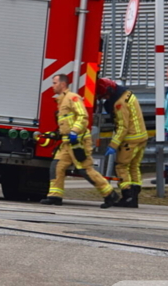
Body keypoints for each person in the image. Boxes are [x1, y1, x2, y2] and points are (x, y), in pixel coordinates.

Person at [40, 73, 121, 208]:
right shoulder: (62, 100)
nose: (52, 86)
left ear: (63, 84)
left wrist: (74, 131)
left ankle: (110, 194)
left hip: (78, 142)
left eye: (54, 83)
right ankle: (55, 196)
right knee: (57, 166)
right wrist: (57, 134)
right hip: (67, 143)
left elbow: (83, 116)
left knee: (85, 169)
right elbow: (67, 122)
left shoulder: (73, 98)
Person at [99, 78, 148, 208]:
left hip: (130, 140)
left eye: (105, 96)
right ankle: (134, 197)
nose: (106, 99)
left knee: (121, 167)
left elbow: (122, 127)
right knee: (134, 166)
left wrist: (113, 145)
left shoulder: (119, 104)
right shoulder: (128, 94)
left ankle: (127, 195)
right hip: (141, 136)